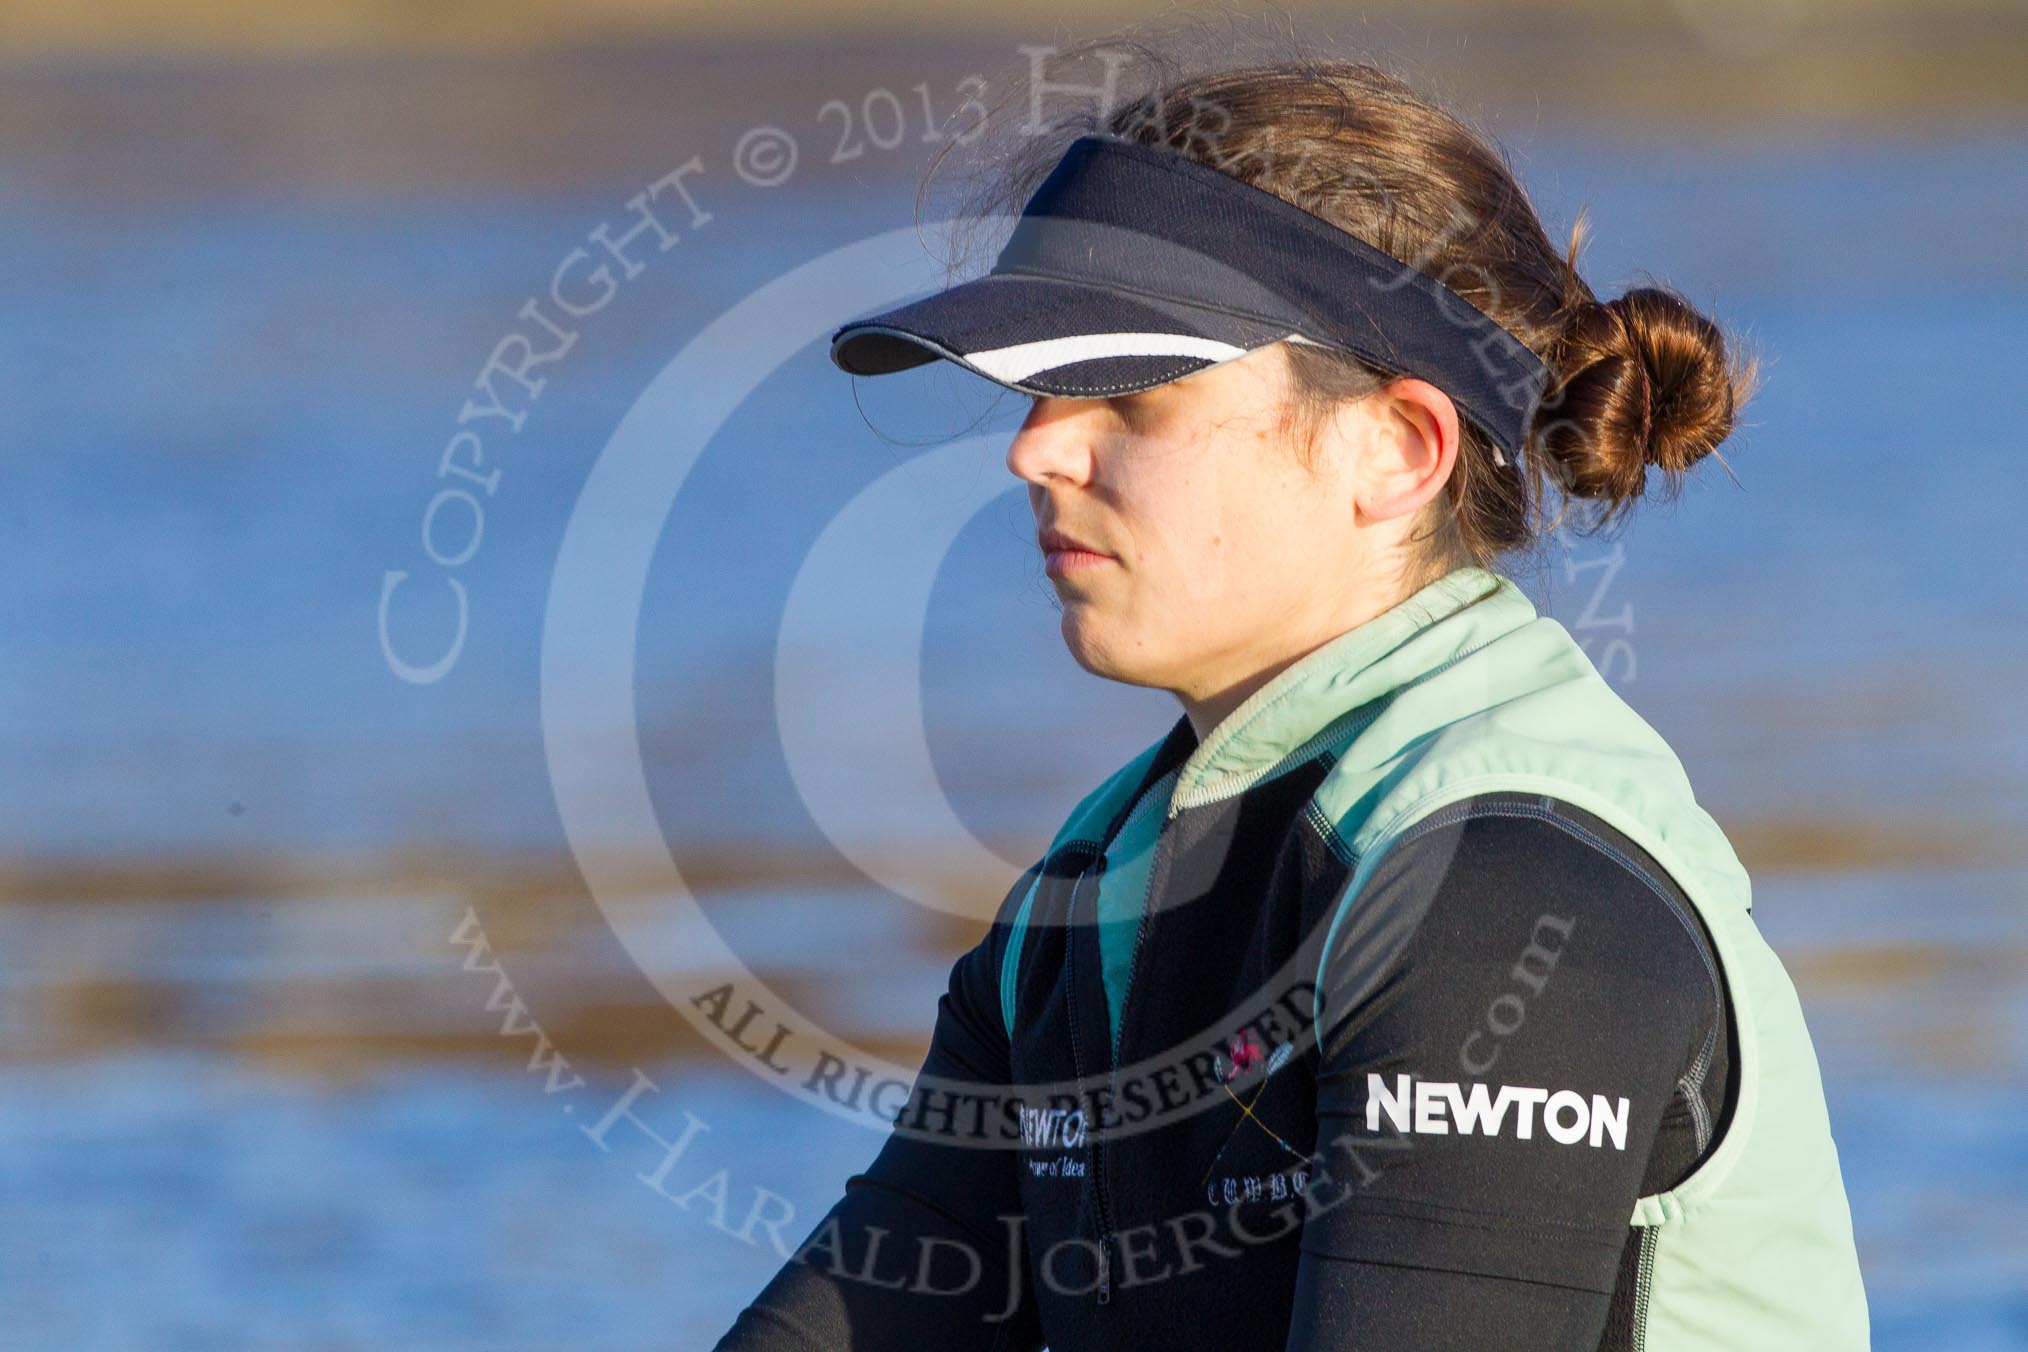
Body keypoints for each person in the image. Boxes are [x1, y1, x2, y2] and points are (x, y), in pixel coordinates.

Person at [713, 47, 1869, 1352]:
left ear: (1398, 451)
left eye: (1128, 395)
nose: (1034, 446)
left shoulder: (1506, 884)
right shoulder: (1081, 900)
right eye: (1035, 392)